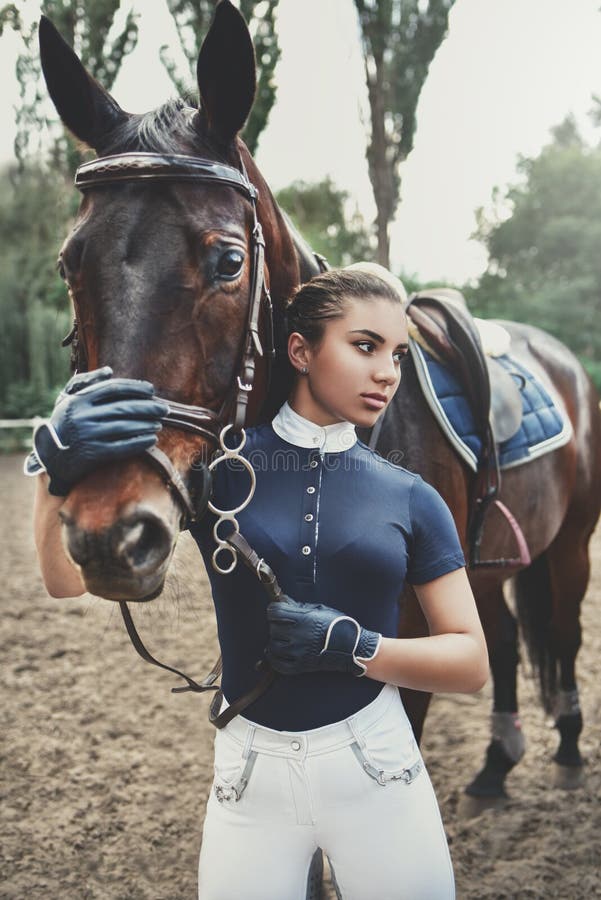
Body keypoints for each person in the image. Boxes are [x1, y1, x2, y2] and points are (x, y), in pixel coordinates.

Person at [30, 267, 488, 900]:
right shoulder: (217, 474)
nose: (388, 372)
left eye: (397, 354)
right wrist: (51, 468)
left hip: (379, 771)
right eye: (365, 345)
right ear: (300, 350)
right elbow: (63, 581)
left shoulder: (414, 497)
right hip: (249, 782)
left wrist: (360, 649)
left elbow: (470, 662)